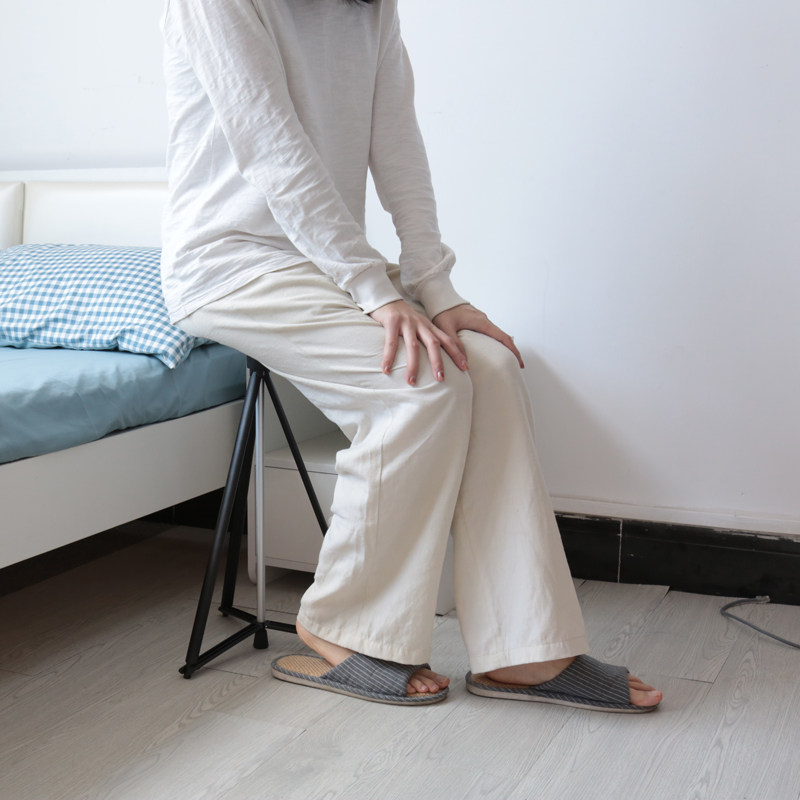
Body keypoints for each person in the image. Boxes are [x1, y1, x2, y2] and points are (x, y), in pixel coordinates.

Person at [160, 0, 662, 712]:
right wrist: (375, 291)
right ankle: (340, 621)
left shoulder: (369, 6)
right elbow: (273, 149)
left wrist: (434, 285)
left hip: (327, 259)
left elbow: (395, 138)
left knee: (487, 366)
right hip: (233, 263)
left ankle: (526, 647)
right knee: (421, 383)